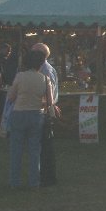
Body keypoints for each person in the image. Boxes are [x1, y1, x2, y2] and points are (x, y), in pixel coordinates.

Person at [7, 50, 53, 189]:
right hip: (36, 115)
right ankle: (34, 181)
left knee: (16, 149)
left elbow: (11, 98)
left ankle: (15, 181)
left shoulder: (20, 76)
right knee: (34, 151)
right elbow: (49, 102)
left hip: (19, 113)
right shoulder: (45, 79)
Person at [33, 43, 59, 186]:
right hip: (43, 109)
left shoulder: (46, 71)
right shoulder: (41, 69)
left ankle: (47, 176)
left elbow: (50, 94)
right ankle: (43, 174)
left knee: (45, 146)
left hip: (44, 112)